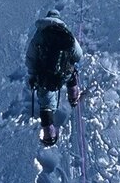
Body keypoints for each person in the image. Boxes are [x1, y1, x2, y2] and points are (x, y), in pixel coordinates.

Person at [25, 10, 83, 146]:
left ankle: (49, 135)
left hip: (45, 76)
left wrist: (33, 76)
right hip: (64, 73)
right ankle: (73, 97)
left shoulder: (39, 36)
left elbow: (31, 59)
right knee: (71, 74)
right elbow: (78, 55)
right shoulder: (65, 32)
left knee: (46, 103)